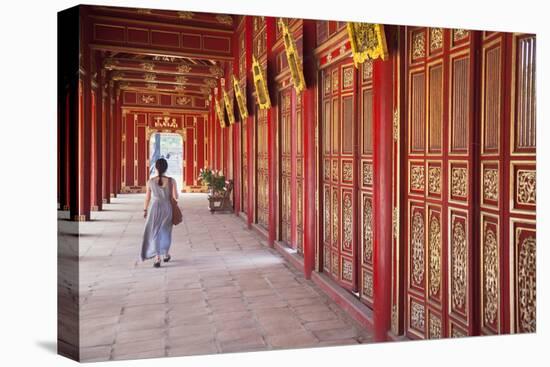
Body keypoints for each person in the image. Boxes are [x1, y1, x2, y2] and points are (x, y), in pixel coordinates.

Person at [140, 158, 178, 267]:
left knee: (155, 232)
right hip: (167, 207)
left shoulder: (150, 181)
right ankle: (165, 254)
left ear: (156, 168)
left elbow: (147, 198)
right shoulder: (171, 181)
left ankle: (157, 257)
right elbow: (176, 197)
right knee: (166, 231)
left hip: (155, 208)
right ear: (166, 168)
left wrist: (145, 210)